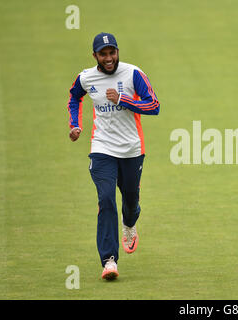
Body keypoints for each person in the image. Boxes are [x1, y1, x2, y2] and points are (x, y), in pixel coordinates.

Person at [67, 32, 160, 280]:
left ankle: (129, 224)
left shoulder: (133, 74)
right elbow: (75, 96)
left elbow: (154, 105)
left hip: (131, 149)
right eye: (103, 54)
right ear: (95, 56)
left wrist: (124, 100)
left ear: (117, 52)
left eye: (112, 53)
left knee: (130, 201)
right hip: (102, 149)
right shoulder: (86, 77)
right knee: (106, 199)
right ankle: (109, 260)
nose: (109, 58)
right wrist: (75, 124)